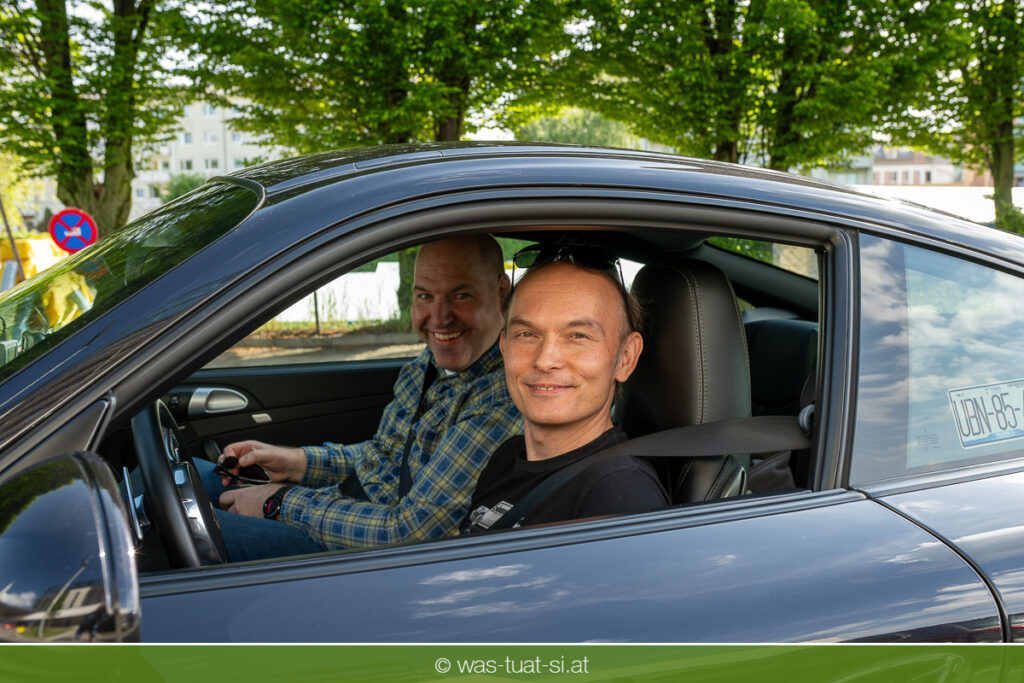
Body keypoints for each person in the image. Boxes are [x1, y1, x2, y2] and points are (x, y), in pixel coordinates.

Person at [206, 234, 521, 560]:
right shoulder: (427, 366)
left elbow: (410, 533)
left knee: (187, 540)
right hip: (341, 512)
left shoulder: (499, 399)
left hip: (362, 557)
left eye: (461, 295)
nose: (439, 317)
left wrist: (279, 502)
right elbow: (385, 455)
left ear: (501, 290)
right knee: (201, 482)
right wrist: (296, 463)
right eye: (425, 296)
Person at [461, 248, 668, 534]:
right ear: (504, 347)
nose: (545, 360)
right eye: (527, 334)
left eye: (578, 336)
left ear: (625, 358)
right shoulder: (507, 457)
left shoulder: (619, 493)